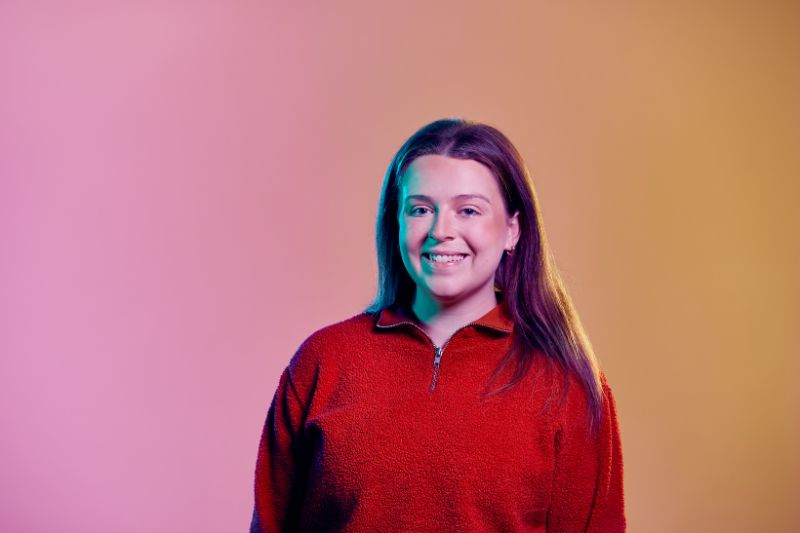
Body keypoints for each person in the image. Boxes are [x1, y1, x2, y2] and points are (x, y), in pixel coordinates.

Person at [249, 118, 626, 532]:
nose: (441, 231)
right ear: (397, 224)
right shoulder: (323, 361)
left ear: (512, 230)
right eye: (421, 209)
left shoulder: (567, 385)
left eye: (468, 210)